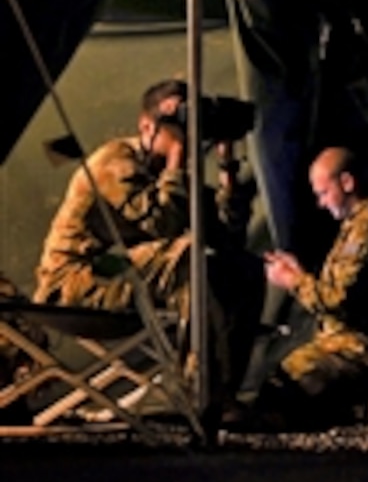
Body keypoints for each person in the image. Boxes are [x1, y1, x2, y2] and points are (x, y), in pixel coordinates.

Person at [32, 78, 262, 413]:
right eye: (178, 127)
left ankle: (222, 393)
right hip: (75, 280)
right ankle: (196, 391)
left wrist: (227, 165)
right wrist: (177, 157)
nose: (187, 136)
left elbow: (228, 235)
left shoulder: (174, 176)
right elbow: (161, 224)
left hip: (121, 273)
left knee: (244, 269)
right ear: (146, 126)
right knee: (185, 254)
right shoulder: (113, 161)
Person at [252, 146, 368, 426]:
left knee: (287, 389)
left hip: (361, 352)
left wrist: (293, 281)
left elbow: (337, 299)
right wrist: (298, 272)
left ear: (347, 183)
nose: (321, 203)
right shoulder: (355, 226)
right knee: (280, 386)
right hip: (341, 344)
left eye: (323, 193)